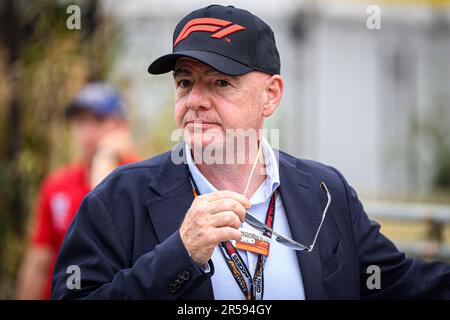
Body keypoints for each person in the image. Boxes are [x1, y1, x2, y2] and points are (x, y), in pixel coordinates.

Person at [51, 5, 450, 300]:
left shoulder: (325, 192)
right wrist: (179, 255)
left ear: (270, 95)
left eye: (220, 83)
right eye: (185, 82)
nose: (195, 101)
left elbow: (401, 285)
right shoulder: (119, 199)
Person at [16, 82, 139, 299]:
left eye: (98, 120)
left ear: (121, 127)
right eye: (81, 121)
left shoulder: (141, 179)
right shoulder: (57, 185)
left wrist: (106, 158)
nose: (87, 131)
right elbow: (39, 261)